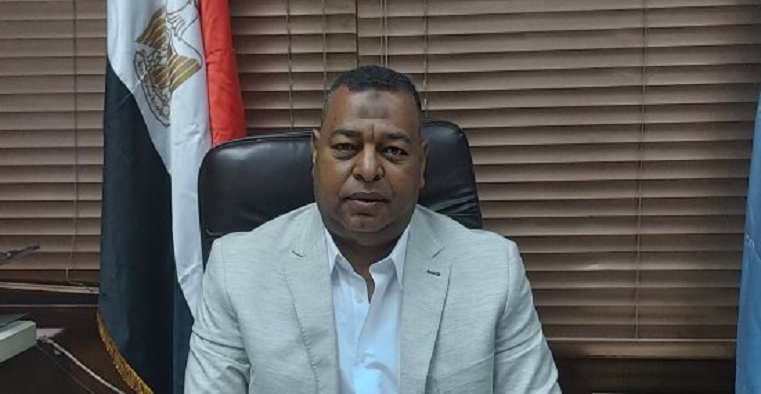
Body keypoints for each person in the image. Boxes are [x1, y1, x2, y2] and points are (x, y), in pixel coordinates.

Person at [184, 65, 560, 393]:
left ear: (422, 164)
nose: (367, 169)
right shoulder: (237, 270)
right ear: (316, 154)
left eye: (393, 151)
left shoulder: (493, 269)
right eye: (346, 147)